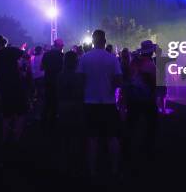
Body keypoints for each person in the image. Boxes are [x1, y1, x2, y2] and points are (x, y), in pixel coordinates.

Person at [76, 29, 122, 177]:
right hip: (108, 102)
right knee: (112, 137)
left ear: (92, 41)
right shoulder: (112, 58)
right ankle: (115, 168)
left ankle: (92, 170)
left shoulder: (84, 58)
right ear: (104, 41)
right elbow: (119, 80)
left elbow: (80, 80)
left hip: (90, 102)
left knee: (92, 138)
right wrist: (111, 88)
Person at [125, 40, 158, 157]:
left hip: (133, 97)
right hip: (146, 98)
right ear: (151, 52)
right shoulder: (149, 64)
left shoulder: (134, 61)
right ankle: (148, 149)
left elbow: (129, 77)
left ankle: (128, 148)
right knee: (151, 125)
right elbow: (153, 82)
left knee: (131, 124)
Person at [0, 35, 27, 142]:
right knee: (20, 112)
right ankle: (17, 137)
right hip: (17, 84)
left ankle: (5, 137)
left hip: (4, 86)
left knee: (6, 114)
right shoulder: (12, 50)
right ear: (5, 42)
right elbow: (26, 56)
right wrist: (21, 66)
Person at [57, 50, 84, 175]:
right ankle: (75, 161)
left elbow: (57, 92)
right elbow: (81, 92)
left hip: (63, 105)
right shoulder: (79, 76)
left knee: (64, 134)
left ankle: (64, 160)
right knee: (76, 133)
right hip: (76, 106)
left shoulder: (60, 75)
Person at [41, 38, 64, 131]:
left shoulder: (46, 54)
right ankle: (53, 124)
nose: (63, 47)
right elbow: (63, 69)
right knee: (56, 103)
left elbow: (41, 67)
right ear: (59, 45)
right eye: (62, 45)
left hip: (47, 81)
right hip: (57, 82)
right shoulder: (61, 55)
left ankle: (44, 124)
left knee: (47, 102)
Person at [30, 46, 45, 120]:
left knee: (36, 95)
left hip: (34, 78)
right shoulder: (42, 57)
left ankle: (34, 113)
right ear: (41, 50)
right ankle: (39, 114)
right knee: (41, 96)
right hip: (41, 78)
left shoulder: (32, 57)